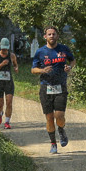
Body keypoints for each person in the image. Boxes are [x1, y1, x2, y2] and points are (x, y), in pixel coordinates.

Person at [31, 25, 76, 154]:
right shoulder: (40, 52)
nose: (52, 36)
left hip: (60, 86)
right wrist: (42, 70)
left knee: (59, 116)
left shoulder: (63, 49)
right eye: (49, 34)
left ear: (57, 36)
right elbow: (33, 69)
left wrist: (69, 67)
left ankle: (61, 131)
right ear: (45, 36)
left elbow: (73, 61)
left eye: (54, 34)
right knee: (50, 117)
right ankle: (53, 144)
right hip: (46, 87)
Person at [0, 37, 18, 129]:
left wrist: (16, 68)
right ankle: (0, 113)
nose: (4, 50)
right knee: (0, 104)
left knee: (9, 102)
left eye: (6, 48)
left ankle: (7, 122)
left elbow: (15, 64)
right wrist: (1, 64)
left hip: (8, 82)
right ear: (0, 47)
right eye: (3, 48)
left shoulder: (12, 56)